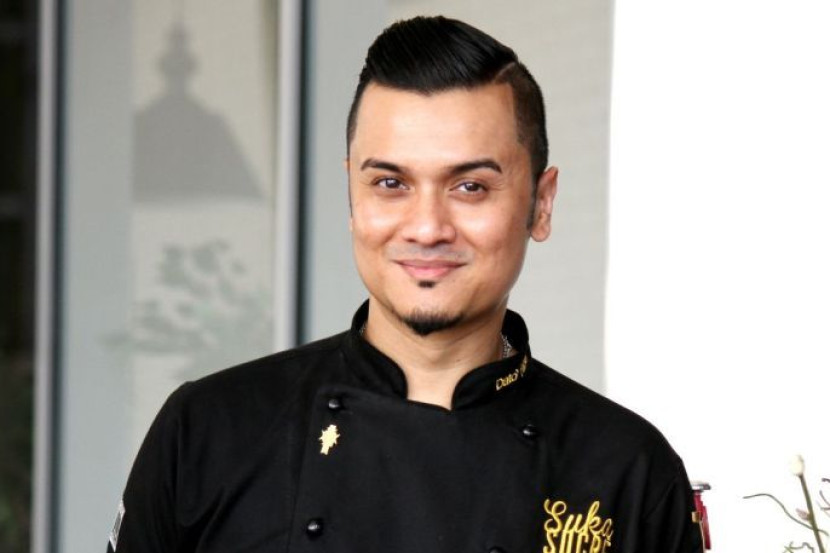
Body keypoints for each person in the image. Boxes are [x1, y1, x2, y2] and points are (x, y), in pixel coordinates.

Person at [107, 16, 702, 553]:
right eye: (391, 184)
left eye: (470, 187)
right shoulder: (208, 432)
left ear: (541, 205)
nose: (426, 228)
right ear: (352, 194)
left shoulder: (627, 470)